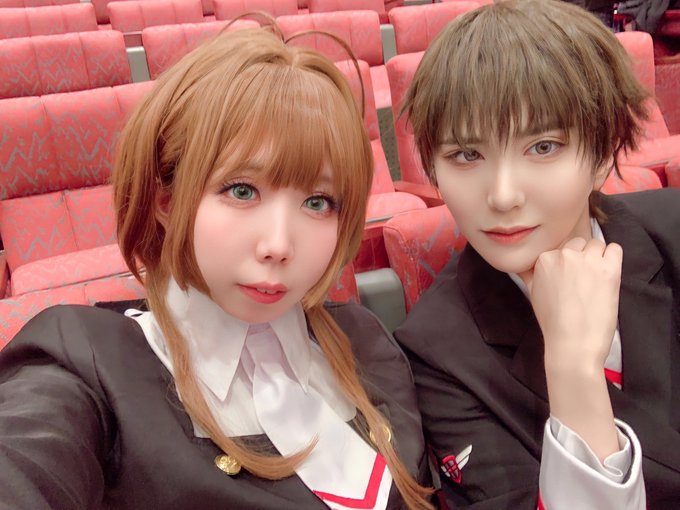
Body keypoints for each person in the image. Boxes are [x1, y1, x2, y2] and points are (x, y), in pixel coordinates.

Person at [0, 27, 433, 510]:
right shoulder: (85, 366)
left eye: (317, 202)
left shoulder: (366, 341)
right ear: (167, 202)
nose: (278, 246)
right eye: (241, 191)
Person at [394, 1, 680, 509]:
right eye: (466, 155)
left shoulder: (673, 231)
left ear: (603, 153)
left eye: (543, 147)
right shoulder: (438, 351)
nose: (503, 196)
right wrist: (573, 370)